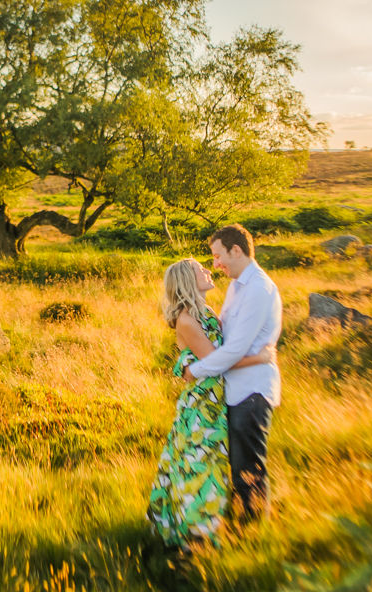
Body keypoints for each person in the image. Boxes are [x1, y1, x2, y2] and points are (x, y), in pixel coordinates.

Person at [146, 257, 274, 549]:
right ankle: (194, 539)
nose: (207, 270)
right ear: (188, 281)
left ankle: (213, 527)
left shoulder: (207, 313)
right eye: (199, 269)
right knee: (200, 469)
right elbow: (217, 362)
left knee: (214, 464)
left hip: (220, 398)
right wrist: (261, 358)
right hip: (203, 405)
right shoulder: (187, 320)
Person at [185, 223, 282, 522]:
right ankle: (243, 522)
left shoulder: (258, 289)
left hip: (252, 391)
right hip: (236, 388)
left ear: (236, 250)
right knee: (237, 464)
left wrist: (195, 371)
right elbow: (226, 339)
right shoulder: (237, 287)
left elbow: (235, 348)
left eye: (217, 256)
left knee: (249, 467)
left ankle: (253, 531)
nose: (216, 265)